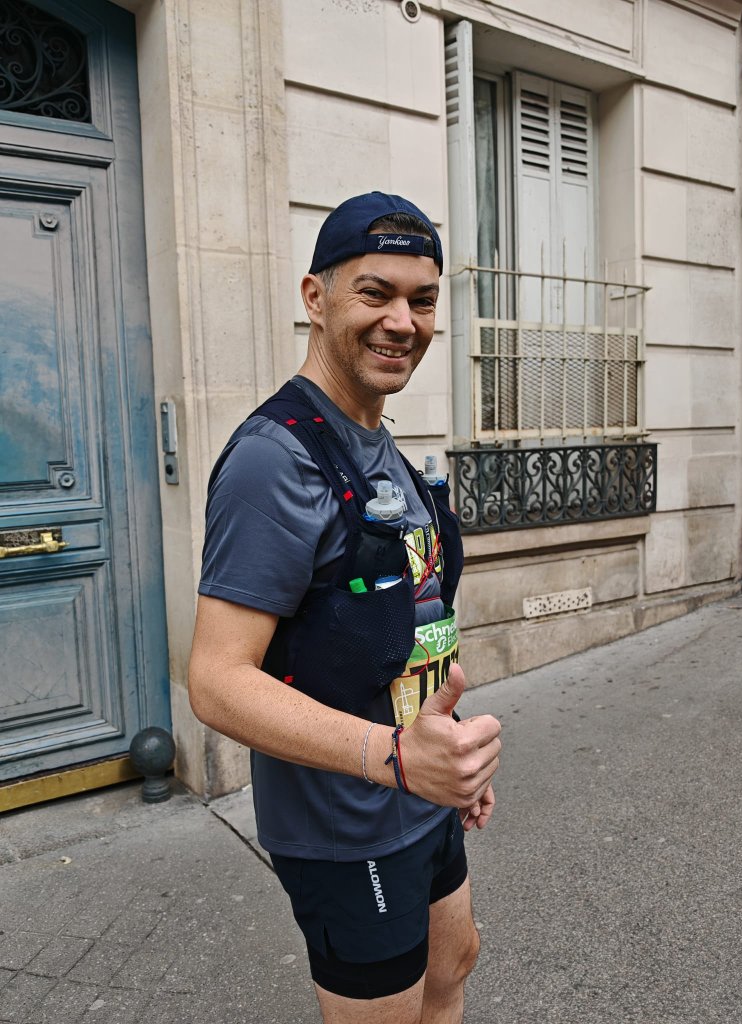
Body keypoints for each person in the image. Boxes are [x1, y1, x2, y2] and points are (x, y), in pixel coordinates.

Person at [188, 191, 502, 1024]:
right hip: (347, 822)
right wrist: (398, 758)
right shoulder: (275, 460)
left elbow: (414, 618)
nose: (403, 321)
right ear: (315, 297)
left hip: (417, 793)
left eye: (422, 300)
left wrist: (450, 757)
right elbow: (216, 681)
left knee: (453, 962)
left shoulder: (380, 446)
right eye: (375, 293)